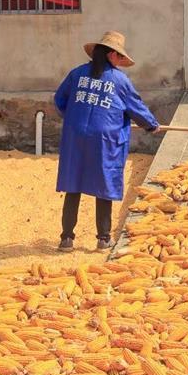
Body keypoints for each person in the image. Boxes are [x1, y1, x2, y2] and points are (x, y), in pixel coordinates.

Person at [54, 31, 159, 251]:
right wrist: (151, 125)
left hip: (75, 138)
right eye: (119, 57)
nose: (120, 62)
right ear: (112, 54)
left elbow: (60, 99)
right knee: (104, 184)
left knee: (74, 184)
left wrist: (74, 117)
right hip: (104, 140)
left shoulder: (77, 74)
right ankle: (103, 239)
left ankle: (66, 239)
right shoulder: (119, 80)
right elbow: (135, 106)